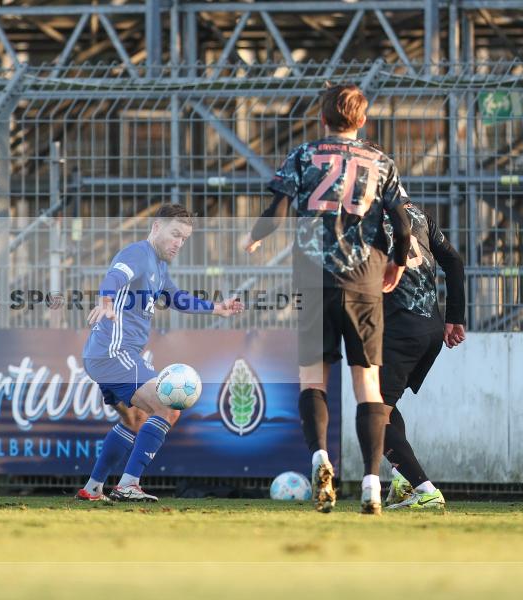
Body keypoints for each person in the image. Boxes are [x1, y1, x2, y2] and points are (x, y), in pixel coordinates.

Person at [241, 84, 411, 515]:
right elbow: (402, 222)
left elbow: (278, 210)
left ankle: (320, 459)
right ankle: (372, 484)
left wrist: (255, 237)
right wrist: (398, 262)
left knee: (311, 378)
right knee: (367, 382)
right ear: (362, 120)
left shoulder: (302, 156)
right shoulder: (381, 163)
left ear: (322, 119)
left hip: (313, 277)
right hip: (364, 279)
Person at [77, 204, 243, 502]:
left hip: (109, 355)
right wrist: (104, 300)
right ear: (156, 227)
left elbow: (177, 298)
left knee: (135, 420)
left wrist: (217, 309)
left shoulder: (159, 266)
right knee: (169, 407)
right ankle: (129, 485)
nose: (179, 243)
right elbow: (116, 275)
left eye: (184, 238)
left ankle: (92, 488)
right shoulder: (138, 253)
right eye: (175, 234)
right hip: (114, 353)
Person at [379, 202, 466, 509]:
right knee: (385, 405)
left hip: (400, 329)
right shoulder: (416, 213)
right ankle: (402, 480)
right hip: (430, 328)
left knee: (373, 413)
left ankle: (425, 490)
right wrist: (455, 317)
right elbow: (454, 262)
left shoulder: (362, 215)